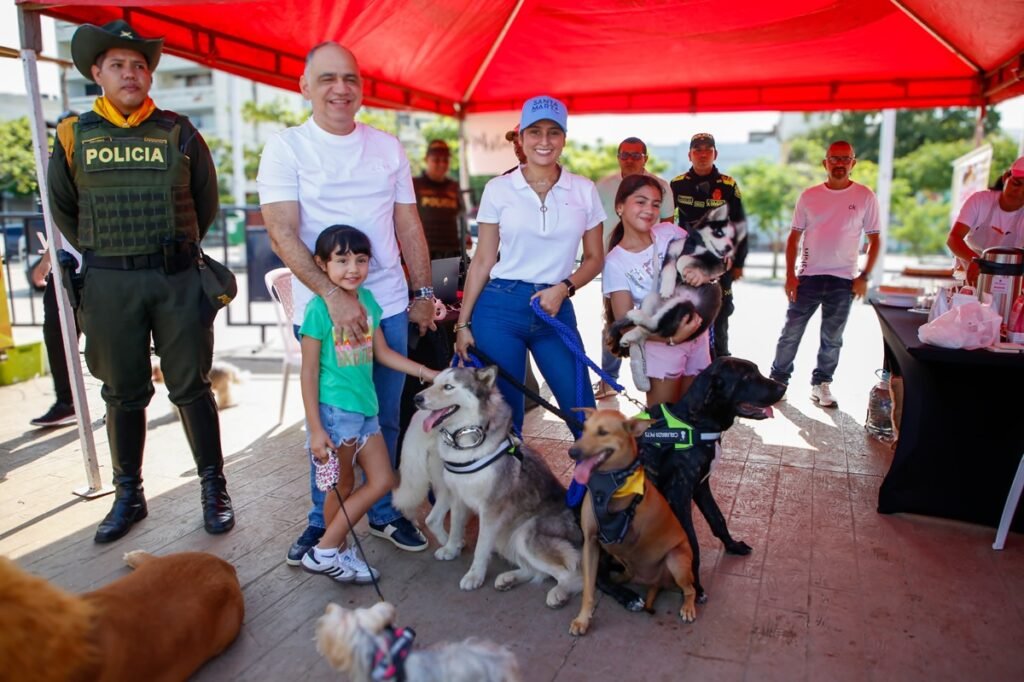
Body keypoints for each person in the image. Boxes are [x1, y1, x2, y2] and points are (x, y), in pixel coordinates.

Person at [46, 20, 233, 542]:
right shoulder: (70, 134)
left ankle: (213, 486)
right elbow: (63, 208)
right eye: (118, 65)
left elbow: (205, 203)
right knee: (121, 392)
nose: (130, 73)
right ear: (96, 73)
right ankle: (129, 493)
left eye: (139, 65)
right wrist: (109, 255)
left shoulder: (180, 131)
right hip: (109, 282)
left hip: (175, 278)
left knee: (191, 387)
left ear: (149, 76)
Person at [257, 41, 435, 565]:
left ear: (362, 88)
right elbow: (281, 232)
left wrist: (423, 293)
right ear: (305, 87)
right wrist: (334, 296)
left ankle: (380, 512)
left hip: (390, 304)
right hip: (324, 310)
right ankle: (323, 520)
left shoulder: (387, 148)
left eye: (351, 79)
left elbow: (407, 224)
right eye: (328, 78)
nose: (341, 88)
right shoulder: (286, 147)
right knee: (334, 428)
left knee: (386, 418)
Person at [454, 95, 604, 434]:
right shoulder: (499, 189)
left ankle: (602, 487)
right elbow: (483, 260)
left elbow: (595, 258)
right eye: (535, 132)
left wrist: (564, 289)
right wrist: (462, 325)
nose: (544, 141)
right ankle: (511, 486)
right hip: (500, 310)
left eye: (554, 132)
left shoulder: (583, 190)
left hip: (555, 308)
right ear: (521, 138)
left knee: (585, 413)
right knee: (504, 419)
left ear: (564, 139)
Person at [299, 225, 439, 583]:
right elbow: (309, 371)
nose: (353, 268)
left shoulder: (371, 304)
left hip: (366, 412)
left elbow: (384, 354)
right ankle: (331, 549)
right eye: (341, 260)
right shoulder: (317, 310)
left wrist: (430, 374)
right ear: (321, 264)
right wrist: (316, 429)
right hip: (336, 414)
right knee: (342, 486)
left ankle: (328, 550)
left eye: (360, 260)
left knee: (381, 480)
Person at [768, 141, 880, 408]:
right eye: (834, 159)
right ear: (825, 163)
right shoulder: (809, 196)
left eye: (845, 159)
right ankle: (777, 382)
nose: (839, 164)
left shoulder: (865, 196)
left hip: (844, 280)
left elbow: (875, 239)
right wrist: (789, 276)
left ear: (853, 163)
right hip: (808, 276)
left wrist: (864, 277)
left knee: (832, 337)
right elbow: (793, 238)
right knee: (790, 332)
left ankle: (821, 384)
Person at [603, 175, 707, 406]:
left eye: (656, 204)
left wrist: (706, 271)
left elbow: (708, 259)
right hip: (662, 344)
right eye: (640, 202)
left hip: (698, 337)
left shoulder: (670, 232)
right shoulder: (615, 262)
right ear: (620, 207)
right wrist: (671, 338)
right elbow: (625, 323)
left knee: (696, 416)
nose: (649, 210)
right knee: (665, 425)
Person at [594, 137, 674, 398]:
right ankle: (609, 379)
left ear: (645, 158)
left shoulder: (661, 186)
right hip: (615, 263)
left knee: (661, 318)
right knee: (615, 322)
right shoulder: (603, 186)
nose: (630, 159)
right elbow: (593, 225)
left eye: (636, 155)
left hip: (656, 268)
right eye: (624, 154)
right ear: (618, 157)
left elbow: (668, 228)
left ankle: (663, 374)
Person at [670, 133, 748, 358]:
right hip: (685, 261)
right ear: (690, 155)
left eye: (708, 150)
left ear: (715, 154)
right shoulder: (677, 185)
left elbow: (740, 224)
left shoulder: (728, 185)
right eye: (697, 150)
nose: (703, 154)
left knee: (721, 312)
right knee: (683, 310)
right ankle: (684, 365)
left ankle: (721, 362)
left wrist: (738, 263)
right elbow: (665, 221)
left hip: (718, 262)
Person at [946, 156, 1024, 285]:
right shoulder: (980, 201)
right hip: (969, 272)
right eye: (1016, 183)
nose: (1020, 192)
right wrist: (975, 261)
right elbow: (953, 238)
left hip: (1008, 278)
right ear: (1005, 178)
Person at [29, 248, 81, 428]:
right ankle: (67, 403)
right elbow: (59, 222)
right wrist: (47, 259)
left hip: (100, 266)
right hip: (62, 269)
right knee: (55, 334)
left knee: (106, 337)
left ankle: (116, 403)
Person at [412, 140, 467, 261]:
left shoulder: (454, 186)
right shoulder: (414, 185)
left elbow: (462, 216)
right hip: (421, 253)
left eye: (445, 160)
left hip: (451, 253)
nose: (442, 164)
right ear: (426, 159)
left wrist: (466, 236)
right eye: (436, 160)